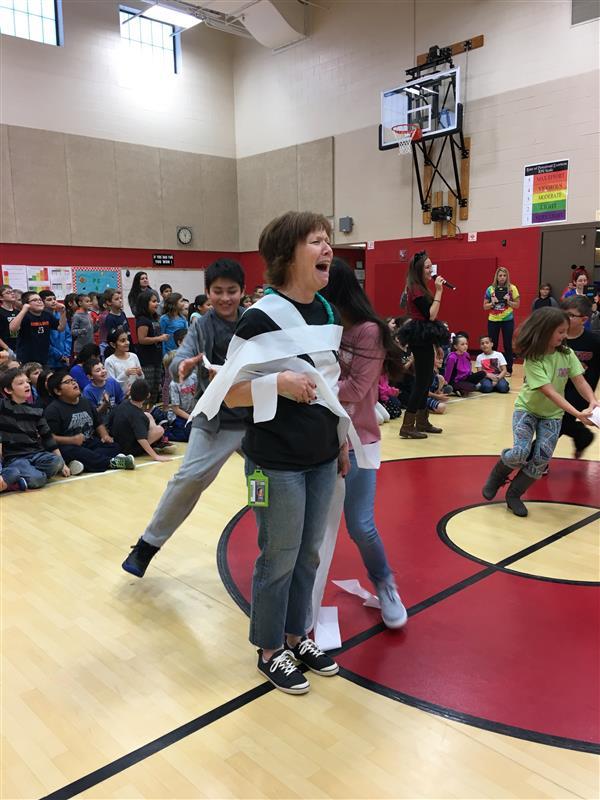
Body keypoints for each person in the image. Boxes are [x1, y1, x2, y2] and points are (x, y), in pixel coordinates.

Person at [190, 212, 367, 695]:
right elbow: (227, 393)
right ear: (288, 255)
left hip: (321, 456)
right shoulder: (259, 317)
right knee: (279, 557)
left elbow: (329, 389)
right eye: (317, 241)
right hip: (274, 462)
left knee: (309, 555)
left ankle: (296, 636)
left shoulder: (326, 312)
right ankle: (269, 650)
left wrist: (340, 440)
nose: (328, 249)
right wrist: (279, 384)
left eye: (328, 240)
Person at [121, 258, 247, 577]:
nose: (225, 298)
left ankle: (271, 550)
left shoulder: (253, 321)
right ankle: (147, 546)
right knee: (188, 478)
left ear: (242, 291)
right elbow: (180, 359)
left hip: (256, 421)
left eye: (232, 291)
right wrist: (182, 365)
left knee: (270, 484)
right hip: (215, 419)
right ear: (208, 292)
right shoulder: (202, 325)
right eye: (217, 291)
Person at [320, 257, 407, 628]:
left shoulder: (368, 331)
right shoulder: (321, 326)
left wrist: (308, 386)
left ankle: (385, 583)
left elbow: (356, 389)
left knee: (359, 525)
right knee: (312, 531)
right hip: (318, 439)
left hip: (358, 440)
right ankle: (302, 599)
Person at [482, 307, 598, 517]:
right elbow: (550, 392)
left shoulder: (567, 354)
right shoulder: (534, 358)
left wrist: (593, 401)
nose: (564, 336)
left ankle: (514, 495)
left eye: (565, 331)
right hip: (527, 410)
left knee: (542, 458)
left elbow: (580, 381)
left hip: (552, 416)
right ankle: (497, 475)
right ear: (545, 331)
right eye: (560, 332)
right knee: (520, 452)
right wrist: (578, 414)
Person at [398, 251, 449, 438]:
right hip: (419, 337)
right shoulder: (416, 289)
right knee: (421, 382)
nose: (431, 270)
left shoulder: (419, 286)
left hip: (424, 336)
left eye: (431, 266)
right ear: (419, 269)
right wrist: (439, 291)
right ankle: (407, 426)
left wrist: (436, 345)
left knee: (426, 380)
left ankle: (421, 421)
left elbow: (429, 320)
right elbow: (431, 315)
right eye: (427, 267)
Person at [45, 370, 134, 472]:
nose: (74, 383)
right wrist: (72, 440)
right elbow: (50, 437)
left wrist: (105, 436)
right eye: (67, 382)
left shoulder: (85, 402)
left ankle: (82, 464)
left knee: (114, 446)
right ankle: (112, 462)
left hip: (89, 443)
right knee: (73, 451)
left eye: (73, 380)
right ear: (57, 391)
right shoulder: (53, 410)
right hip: (70, 446)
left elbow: (98, 423)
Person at [0, 368, 75, 489]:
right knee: (37, 479)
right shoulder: (3, 406)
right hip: (15, 458)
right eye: (20, 383)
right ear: (8, 390)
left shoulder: (36, 410)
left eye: (27, 382)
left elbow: (48, 437)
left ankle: (24, 477)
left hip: (37, 454)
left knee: (57, 462)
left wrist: (63, 464)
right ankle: (23, 478)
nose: (26, 385)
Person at [559, 296, 600, 459]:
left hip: (581, 393)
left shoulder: (594, 342)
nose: (564, 318)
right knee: (558, 423)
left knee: (558, 424)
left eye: (570, 315)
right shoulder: (556, 338)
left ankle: (534, 458)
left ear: (583, 319)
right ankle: (583, 436)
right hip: (557, 389)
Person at [108, 379, 170, 462]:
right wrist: (155, 456)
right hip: (128, 450)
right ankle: (153, 445)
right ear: (148, 395)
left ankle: (156, 443)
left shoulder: (124, 403)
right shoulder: (137, 415)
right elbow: (141, 439)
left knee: (148, 415)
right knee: (160, 430)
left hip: (117, 443)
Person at [9, 293, 67, 366]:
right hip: (26, 359)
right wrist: (23, 310)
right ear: (27, 304)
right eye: (35, 300)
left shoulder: (47, 315)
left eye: (40, 300)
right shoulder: (24, 315)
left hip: (43, 358)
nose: (39, 301)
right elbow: (13, 329)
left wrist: (62, 312)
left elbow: (61, 328)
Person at [483, 266, 520, 375]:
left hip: (507, 320)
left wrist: (509, 302)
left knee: (507, 344)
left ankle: (508, 369)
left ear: (507, 277)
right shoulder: (490, 289)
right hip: (493, 320)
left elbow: (517, 305)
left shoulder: (512, 288)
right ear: (497, 277)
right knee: (492, 345)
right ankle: (493, 369)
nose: (502, 277)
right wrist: (492, 303)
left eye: (504, 275)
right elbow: (484, 306)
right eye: (500, 275)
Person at [135, 290, 169, 404]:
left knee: (155, 388)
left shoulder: (154, 318)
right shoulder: (143, 320)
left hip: (157, 358)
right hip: (147, 360)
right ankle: (144, 410)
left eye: (157, 301)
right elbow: (142, 339)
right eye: (154, 301)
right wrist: (159, 338)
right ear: (145, 303)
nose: (157, 304)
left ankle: (151, 410)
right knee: (147, 388)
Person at [82, 358, 125, 426]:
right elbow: (93, 414)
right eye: (98, 370)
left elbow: (120, 401)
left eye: (103, 368)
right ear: (90, 376)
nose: (103, 371)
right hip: (102, 424)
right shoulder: (88, 391)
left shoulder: (112, 382)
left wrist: (127, 395)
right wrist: (105, 403)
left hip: (117, 420)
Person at [39, 290, 72, 368]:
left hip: (64, 357)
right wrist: (58, 355)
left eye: (54, 299)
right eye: (49, 300)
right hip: (49, 359)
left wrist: (66, 353)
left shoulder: (60, 315)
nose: (53, 301)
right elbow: (44, 342)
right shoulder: (41, 317)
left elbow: (68, 335)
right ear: (42, 302)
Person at [104, 329, 143, 395]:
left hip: (135, 395)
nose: (127, 342)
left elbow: (141, 379)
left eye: (127, 339)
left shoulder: (133, 356)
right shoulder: (109, 361)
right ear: (113, 344)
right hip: (120, 397)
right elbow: (112, 385)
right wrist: (125, 374)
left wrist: (140, 374)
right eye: (123, 341)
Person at [0, 285, 20, 354]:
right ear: (1, 298)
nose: (12, 294)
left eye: (12, 292)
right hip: (4, 350)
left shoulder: (18, 312)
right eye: (8, 292)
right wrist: (7, 349)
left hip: (18, 347)